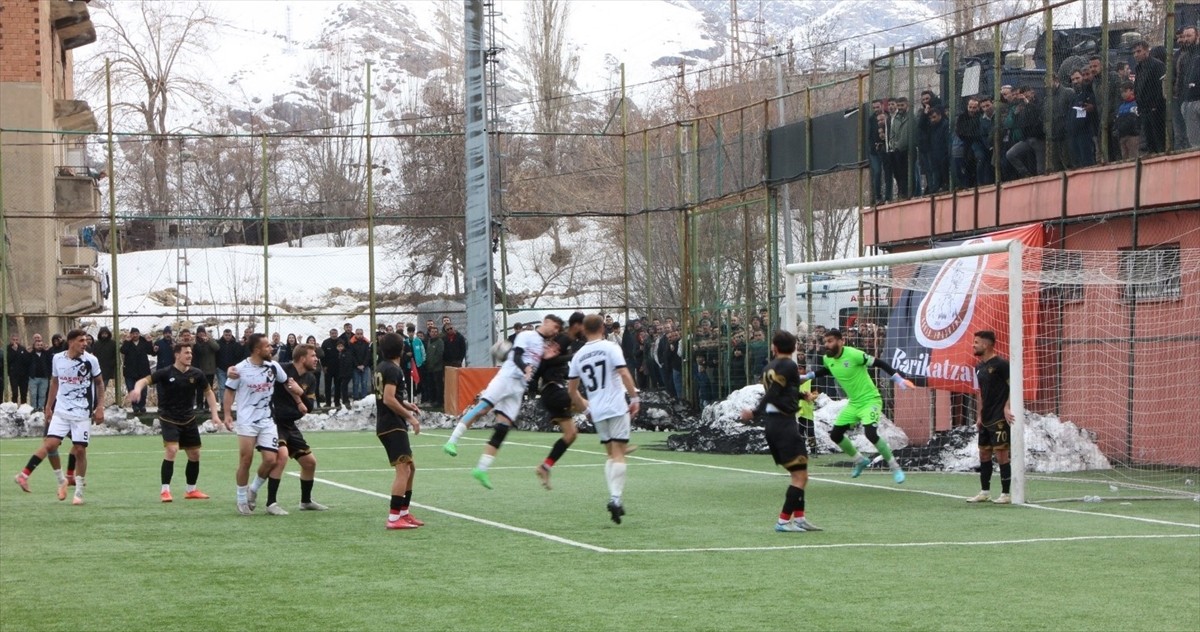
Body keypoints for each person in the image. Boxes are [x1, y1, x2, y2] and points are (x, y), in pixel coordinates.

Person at [442, 314, 565, 490]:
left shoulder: (544, 346)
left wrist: (548, 358)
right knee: (482, 408)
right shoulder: (526, 335)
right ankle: (452, 441)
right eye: (555, 326)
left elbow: (537, 367)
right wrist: (526, 368)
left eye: (558, 329)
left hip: (518, 388)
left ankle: (481, 469)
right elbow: (516, 356)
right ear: (546, 322)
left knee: (502, 428)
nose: (556, 330)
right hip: (506, 378)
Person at [801, 328, 913, 484]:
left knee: (871, 434)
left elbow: (879, 363)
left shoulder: (854, 354)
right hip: (854, 403)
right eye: (825, 342)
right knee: (835, 435)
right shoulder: (828, 358)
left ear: (841, 341)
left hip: (870, 401)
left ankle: (895, 467)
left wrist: (899, 380)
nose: (826, 344)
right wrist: (807, 376)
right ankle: (860, 460)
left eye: (830, 341)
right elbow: (827, 370)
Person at [738, 330, 822, 532]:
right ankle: (783, 521)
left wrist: (802, 396)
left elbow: (783, 391)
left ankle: (800, 519)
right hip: (783, 425)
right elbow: (775, 391)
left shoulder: (770, 366)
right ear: (794, 349)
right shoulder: (789, 365)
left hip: (776, 425)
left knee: (801, 474)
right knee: (799, 477)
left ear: (774, 348)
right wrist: (755, 411)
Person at [13, 329, 104, 504]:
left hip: (82, 413)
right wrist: (48, 406)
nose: (85, 343)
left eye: (86, 340)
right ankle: (26, 475)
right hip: (61, 411)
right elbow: (55, 382)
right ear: (71, 342)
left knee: (79, 449)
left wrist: (100, 407)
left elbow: (99, 384)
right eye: (81, 340)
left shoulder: (91, 360)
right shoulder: (57, 358)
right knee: (50, 444)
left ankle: (78, 491)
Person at [567, 314, 640, 524]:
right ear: (602, 328)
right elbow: (624, 373)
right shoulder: (610, 348)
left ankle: (615, 497)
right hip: (616, 407)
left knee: (611, 454)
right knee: (618, 454)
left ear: (583, 330)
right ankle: (615, 498)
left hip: (597, 410)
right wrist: (634, 397)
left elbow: (572, 391)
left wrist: (587, 410)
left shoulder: (578, 356)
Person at [125, 341, 220, 502]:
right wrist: (137, 389)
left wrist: (215, 414)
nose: (190, 355)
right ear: (177, 355)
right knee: (172, 450)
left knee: (195, 454)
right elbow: (143, 381)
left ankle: (191, 490)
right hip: (168, 417)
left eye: (190, 353)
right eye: (186, 353)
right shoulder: (165, 372)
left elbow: (209, 393)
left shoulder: (197, 374)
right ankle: (165, 491)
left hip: (188, 418)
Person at [223, 333, 302, 515]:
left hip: (267, 420)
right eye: (267, 346)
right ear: (257, 350)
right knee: (246, 460)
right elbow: (229, 391)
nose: (271, 349)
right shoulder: (240, 369)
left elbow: (287, 383)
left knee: (270, 459)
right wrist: (227, 414)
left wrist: (299, 401)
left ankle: (253, 489)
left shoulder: (273, 366)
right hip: (247, 420)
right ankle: (241, 499)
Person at [262, 343, 328, 514]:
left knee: (309, 462)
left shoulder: (310, 378)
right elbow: (261, 368)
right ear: (302, 358)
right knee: (281, 457)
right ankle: (271, 503)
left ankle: (305, 502)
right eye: (313, 356)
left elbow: (310, 407)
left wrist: (300, 393)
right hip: (274, 422)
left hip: (290, 425)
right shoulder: (283, 369)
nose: (316, 359)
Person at [375, 333, 424, 529]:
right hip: (391, 425)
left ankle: (404, 512)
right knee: (403, 470)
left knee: (410, 468)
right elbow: (387, 399)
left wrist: (406, 404)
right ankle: (394, 518)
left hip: (390, 424)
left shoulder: (383, 367)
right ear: (401, 349)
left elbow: (390, 396)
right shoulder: (393, 369)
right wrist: (410, 417)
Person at [967, 331, 1014, 504]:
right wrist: (979, 414)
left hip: (999, 416)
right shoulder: (979, 367)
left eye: (976, 342)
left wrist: (1007, 406)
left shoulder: (1002, 364)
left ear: (986, 345)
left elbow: (1014, 386)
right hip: (986, 417)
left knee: (1001, 454)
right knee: (984, 454)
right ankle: (984, 492)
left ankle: (1006, 494)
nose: (973, 345)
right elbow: (980, 393)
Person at [533, 334, 579, 490]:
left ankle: (545, 467)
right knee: (585, 404)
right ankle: (615, 442)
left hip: (555, 392)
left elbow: (565, 370)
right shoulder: (547, 354)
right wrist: (575, 356)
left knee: (571, 434)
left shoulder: (560, 356)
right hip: (553, 392)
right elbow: (549, 362)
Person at [120, 328, 153, 413]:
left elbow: (150, 351)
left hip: (143, 371)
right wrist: (126, 341)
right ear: (131, 335)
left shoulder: (143, 342)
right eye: (133, 334)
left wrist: (149, 342)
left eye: (136, 333)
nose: (135, 335)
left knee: (143, 391)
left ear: (139, 334)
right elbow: (123, 350)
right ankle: (135, 406)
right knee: (131, 389)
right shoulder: (128, 343)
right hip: (130, 371)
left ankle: (142, 405)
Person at [192, 326, 219, 410]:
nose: (201, 334)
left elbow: (217, 348)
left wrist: (208, 341)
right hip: (198, 368)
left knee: (208, 388)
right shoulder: (195, 342)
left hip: (209, 368)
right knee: (199, 388)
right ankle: (199, 405)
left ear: (205, 333)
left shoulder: (210, 340)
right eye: (199, 332)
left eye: (202, 332)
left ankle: (207, 405)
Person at [26, 334, 52, 411]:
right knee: (33, 394)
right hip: (33, 378)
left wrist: (48, 352)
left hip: (44, 378)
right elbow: (25, 363)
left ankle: (40, 408)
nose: (39, 346)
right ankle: (33, 408)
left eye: (41, 345)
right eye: (37, 345)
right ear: (34, 345)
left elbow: (50, 362)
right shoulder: (31, 353)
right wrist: (28, 353)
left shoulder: (46, 354)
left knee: (42, 395)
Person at [320, 328, 341, 407]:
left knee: (338, 386)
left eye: (335, 333)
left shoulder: (341, 342)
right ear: (330, 334)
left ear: (337, 334)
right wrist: (324, 366)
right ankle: (328, 403)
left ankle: (337, 402)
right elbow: (322, 356)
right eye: (332, 333)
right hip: (328, 369)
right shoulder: (326, 342)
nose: (334, 335)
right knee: (327, 386)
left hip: (338, 368)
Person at [6, 334, 29, 404]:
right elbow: (9, 360)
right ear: (11, 340)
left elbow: (26, 360)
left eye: (16, 340)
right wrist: (14, 351)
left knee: (23, 393)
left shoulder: (22, 348)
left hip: (23, 374)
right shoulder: (8, 348)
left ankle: (23, 407)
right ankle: (14, 406)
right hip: (13, 374)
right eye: (13, 340)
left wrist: (27, 352)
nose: (15, 342)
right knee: (15, 392)